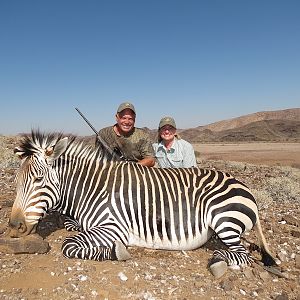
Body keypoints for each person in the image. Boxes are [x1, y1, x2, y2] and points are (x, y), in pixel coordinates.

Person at [96, 102, 155, 167]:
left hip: (135, 172)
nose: (127, 122)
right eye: (123, 118)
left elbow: (151, 160)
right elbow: (97, 157)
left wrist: (128, 168)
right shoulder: (103, 133)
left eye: (130, 119)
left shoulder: (143, 135)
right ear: (116, 117)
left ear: (134, 119)